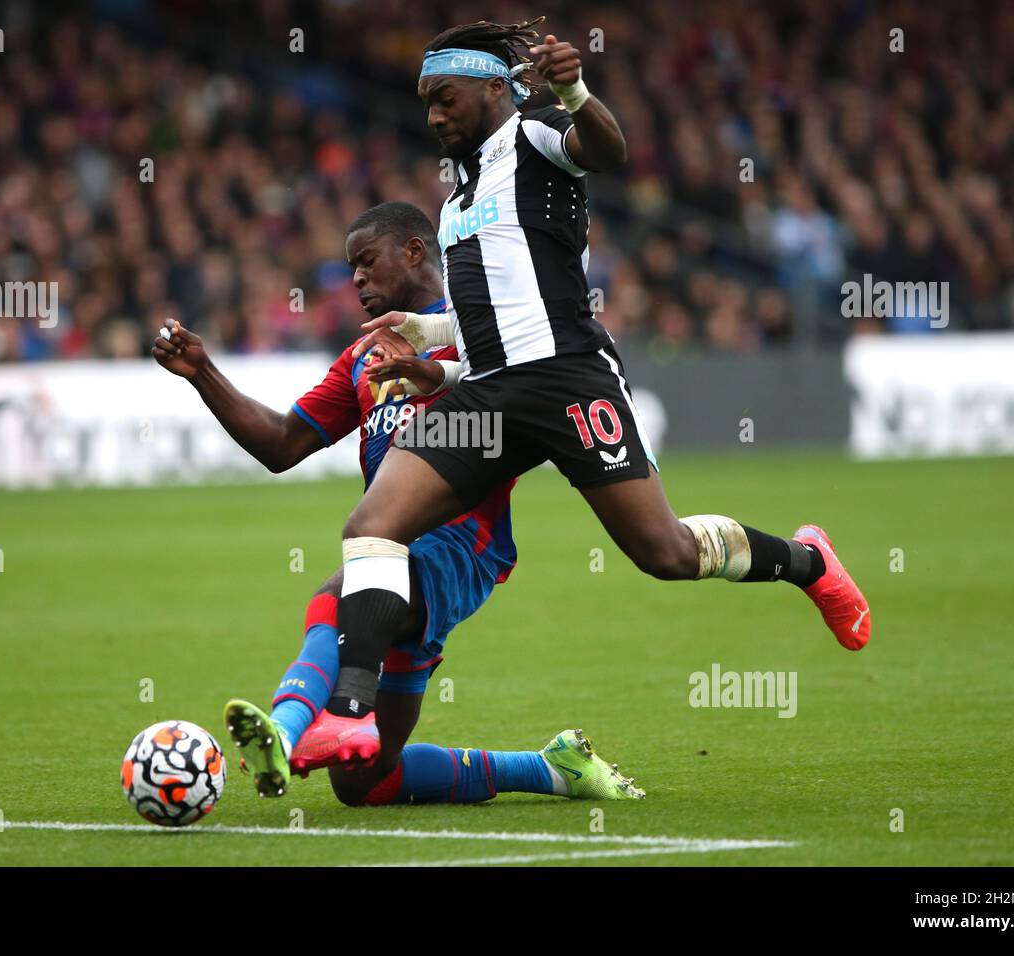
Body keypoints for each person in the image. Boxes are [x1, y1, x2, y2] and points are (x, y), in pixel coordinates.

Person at [318, 19, 872, 786]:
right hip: (487, 396)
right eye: (425, 105)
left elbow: (606, 150)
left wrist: (576, 89)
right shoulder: (456, 201)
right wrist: (431, 349)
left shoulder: (537, 132)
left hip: (569, 380)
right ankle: (347, 711)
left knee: (665, 554)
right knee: (372, 526)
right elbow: (497, 316)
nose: (433, 117)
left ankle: (809, 562)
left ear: (492, 90)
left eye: (444, 100)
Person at [151, 201, 643, 806]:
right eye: (349, 268)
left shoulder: (487, 335)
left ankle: (282, 730)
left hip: (461, 547)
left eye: (366, 262)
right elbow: (281, 445)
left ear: (414, 251)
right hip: (389, 547)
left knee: (335, 594)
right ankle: (547, 770)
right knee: (364, 782)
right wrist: (203, 373)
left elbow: (540, 401)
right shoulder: (365, 355)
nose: (355, 279)